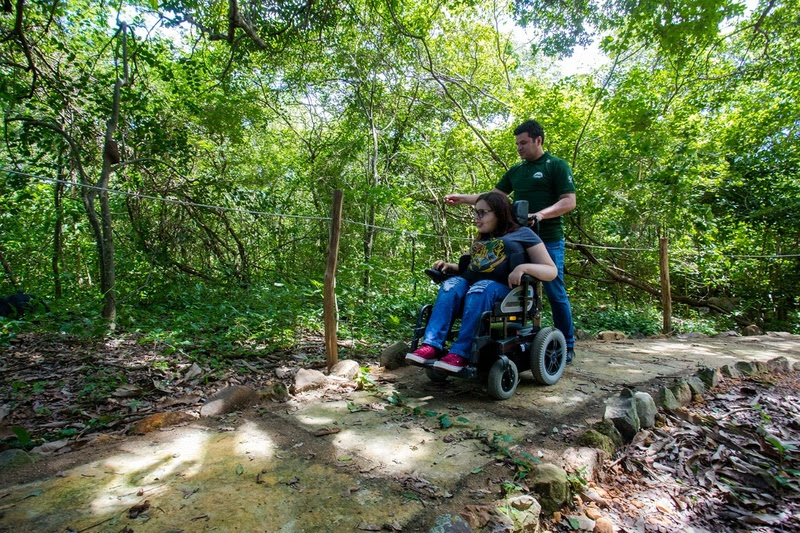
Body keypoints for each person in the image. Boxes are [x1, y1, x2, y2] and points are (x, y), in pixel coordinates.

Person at [444, 119, 577, 364]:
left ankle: (566, 345)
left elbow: (569, 201)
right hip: (516, 241)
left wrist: (540, 215)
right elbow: (493, 198)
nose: (519, 147)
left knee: (554, 291)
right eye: (517, 143)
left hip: (548, 239)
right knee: (515, 287)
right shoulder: (516, 171)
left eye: (524, 142)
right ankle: (507, 337)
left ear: (538, 140)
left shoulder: (556, 166)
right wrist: (463, 198)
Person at [406, 192, 557, 373]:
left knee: (480, 288)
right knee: (450, 286)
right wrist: (452, 267)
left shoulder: (523, 234)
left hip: (506, 292)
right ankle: (431, 346)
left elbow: (551, 271)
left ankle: (461, 354)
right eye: (476, 213)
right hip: (476, 288)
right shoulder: (483, 238)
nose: (477, 218)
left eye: (483, 213)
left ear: (500, 213)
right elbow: (478, 267)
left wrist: (523, 268)